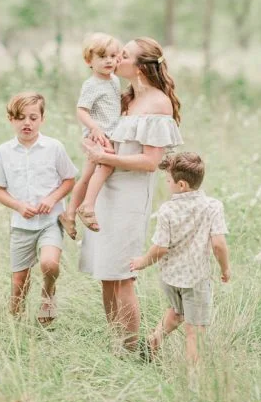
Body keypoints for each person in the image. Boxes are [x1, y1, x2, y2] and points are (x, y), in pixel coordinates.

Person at [79, 37, 182, 352]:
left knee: (123, 276)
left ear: (139, 68)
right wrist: (93, 148)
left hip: (129, 198)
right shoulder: (123, 100)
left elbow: (150, 162)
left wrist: (108, 159)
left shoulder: (158, 103)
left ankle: (131, 348)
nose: (115, 59)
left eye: (123, 55)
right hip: (105, 193)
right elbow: (102, 138)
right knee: (107, 275)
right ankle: (116, 345)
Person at [130, 151, 230, 364]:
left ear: (182, 185)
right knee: (195, 332)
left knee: (177, 312)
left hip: (170, 278)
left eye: (168, 180)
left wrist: (143, 262)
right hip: (196, 280)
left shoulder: (167, 210)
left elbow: (160, 248)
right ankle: (193, 381)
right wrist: (225, 269)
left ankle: (153, 342)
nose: (167, 184)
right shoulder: (213, 207)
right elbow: (219, 245)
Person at [0, 92, 78, 324]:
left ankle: (48, 294)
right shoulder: (3, 152)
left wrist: (51, 199)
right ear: (11, 120)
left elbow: (69, 180)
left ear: (42, 119)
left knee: (49, 263)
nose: (26, 123)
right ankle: (15, 324)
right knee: (19, 281)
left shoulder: (54, 147)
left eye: (32, 117)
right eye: (20, 117)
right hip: (22, 225)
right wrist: (18, 206)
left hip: (50, 221)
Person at [60, 32, 122, 239]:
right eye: (103, 56)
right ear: (89, 60)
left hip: (108, 133)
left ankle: (69, 214)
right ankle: (87, 206)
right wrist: (94, 128)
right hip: (99, 135)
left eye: (113, 56)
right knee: (107, 163)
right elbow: (81, 110)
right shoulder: (92, 84)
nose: (109, 61)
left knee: (86, 176)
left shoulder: (114, 80)